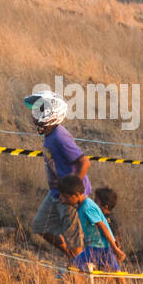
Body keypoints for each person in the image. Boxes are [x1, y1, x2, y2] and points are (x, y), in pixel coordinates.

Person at [24, 91, 88, 260]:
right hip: (56, 193)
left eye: (40, 111)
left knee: (75, 240)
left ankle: (80, 275)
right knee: (40, 225)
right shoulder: (49, 135)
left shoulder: (59, 136)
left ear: (52, 114)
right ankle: (73, 261)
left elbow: (84, 162)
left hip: (68, 196)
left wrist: (72, 191)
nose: (35, 115)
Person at [59, 176, 126, 274]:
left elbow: (103, 226)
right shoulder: (83, 205)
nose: (63, 200)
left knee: (73, 268)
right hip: (102, 247)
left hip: (97, 247)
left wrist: (115, 248)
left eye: (65, 197)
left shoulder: (87, 207)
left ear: (76, 195)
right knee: (115, 274)